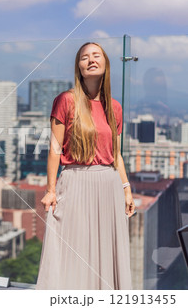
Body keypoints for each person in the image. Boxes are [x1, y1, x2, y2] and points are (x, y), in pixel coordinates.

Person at [35, 42, 135, 290]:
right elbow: (55, 149)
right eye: (84, 57)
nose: (91, 60)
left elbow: (116, 155)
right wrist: (50, 189)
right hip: (75, 182)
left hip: (109, 185)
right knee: (72, 250)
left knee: (106, 252)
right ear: (78, 67)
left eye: (96, 55)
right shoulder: (66, 101)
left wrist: (126, 188)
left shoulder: (115, 108)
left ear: (105, 63)